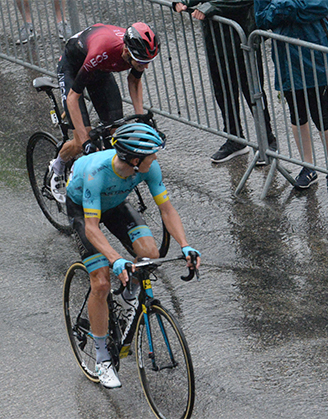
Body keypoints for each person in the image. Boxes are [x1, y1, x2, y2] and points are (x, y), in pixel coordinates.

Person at [66, 122, 201, 388]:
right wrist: (115, 259)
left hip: (115, 204)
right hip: (83, 210)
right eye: (151, 154)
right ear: (136, 160)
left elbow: (167, 210)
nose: (156, 158)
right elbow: (92, 229)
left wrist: (185, 245)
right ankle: (103, 358)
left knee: (149, 254)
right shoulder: (97, 172)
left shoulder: (148, 168)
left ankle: (128, 296)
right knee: (101, 281)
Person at [50, 22, 160, 203]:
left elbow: (134, 81)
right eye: (141, 62)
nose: (145, 67)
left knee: (117, 132)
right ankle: (58, 166)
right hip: (74, 67)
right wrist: (86, 141)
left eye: (148, 62)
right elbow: (72, 98)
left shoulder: (136, 52)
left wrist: (141, 120)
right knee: (80, 141)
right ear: (126, 52)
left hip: (100, 71)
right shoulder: (103, 50)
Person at [173, 0, 277, 165]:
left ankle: (268, 139)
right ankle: (234, 137)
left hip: (243, 36)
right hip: (216, 39)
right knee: (222, 89)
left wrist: (210, 7)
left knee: (252, 90)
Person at [254, 0, 328, 189]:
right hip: (287, 59)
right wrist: (292, 8)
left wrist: (283, 8)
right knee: (297, 113)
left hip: (315, 52)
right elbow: (262, 19)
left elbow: (319, 7)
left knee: (321, 113)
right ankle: (307, 166)